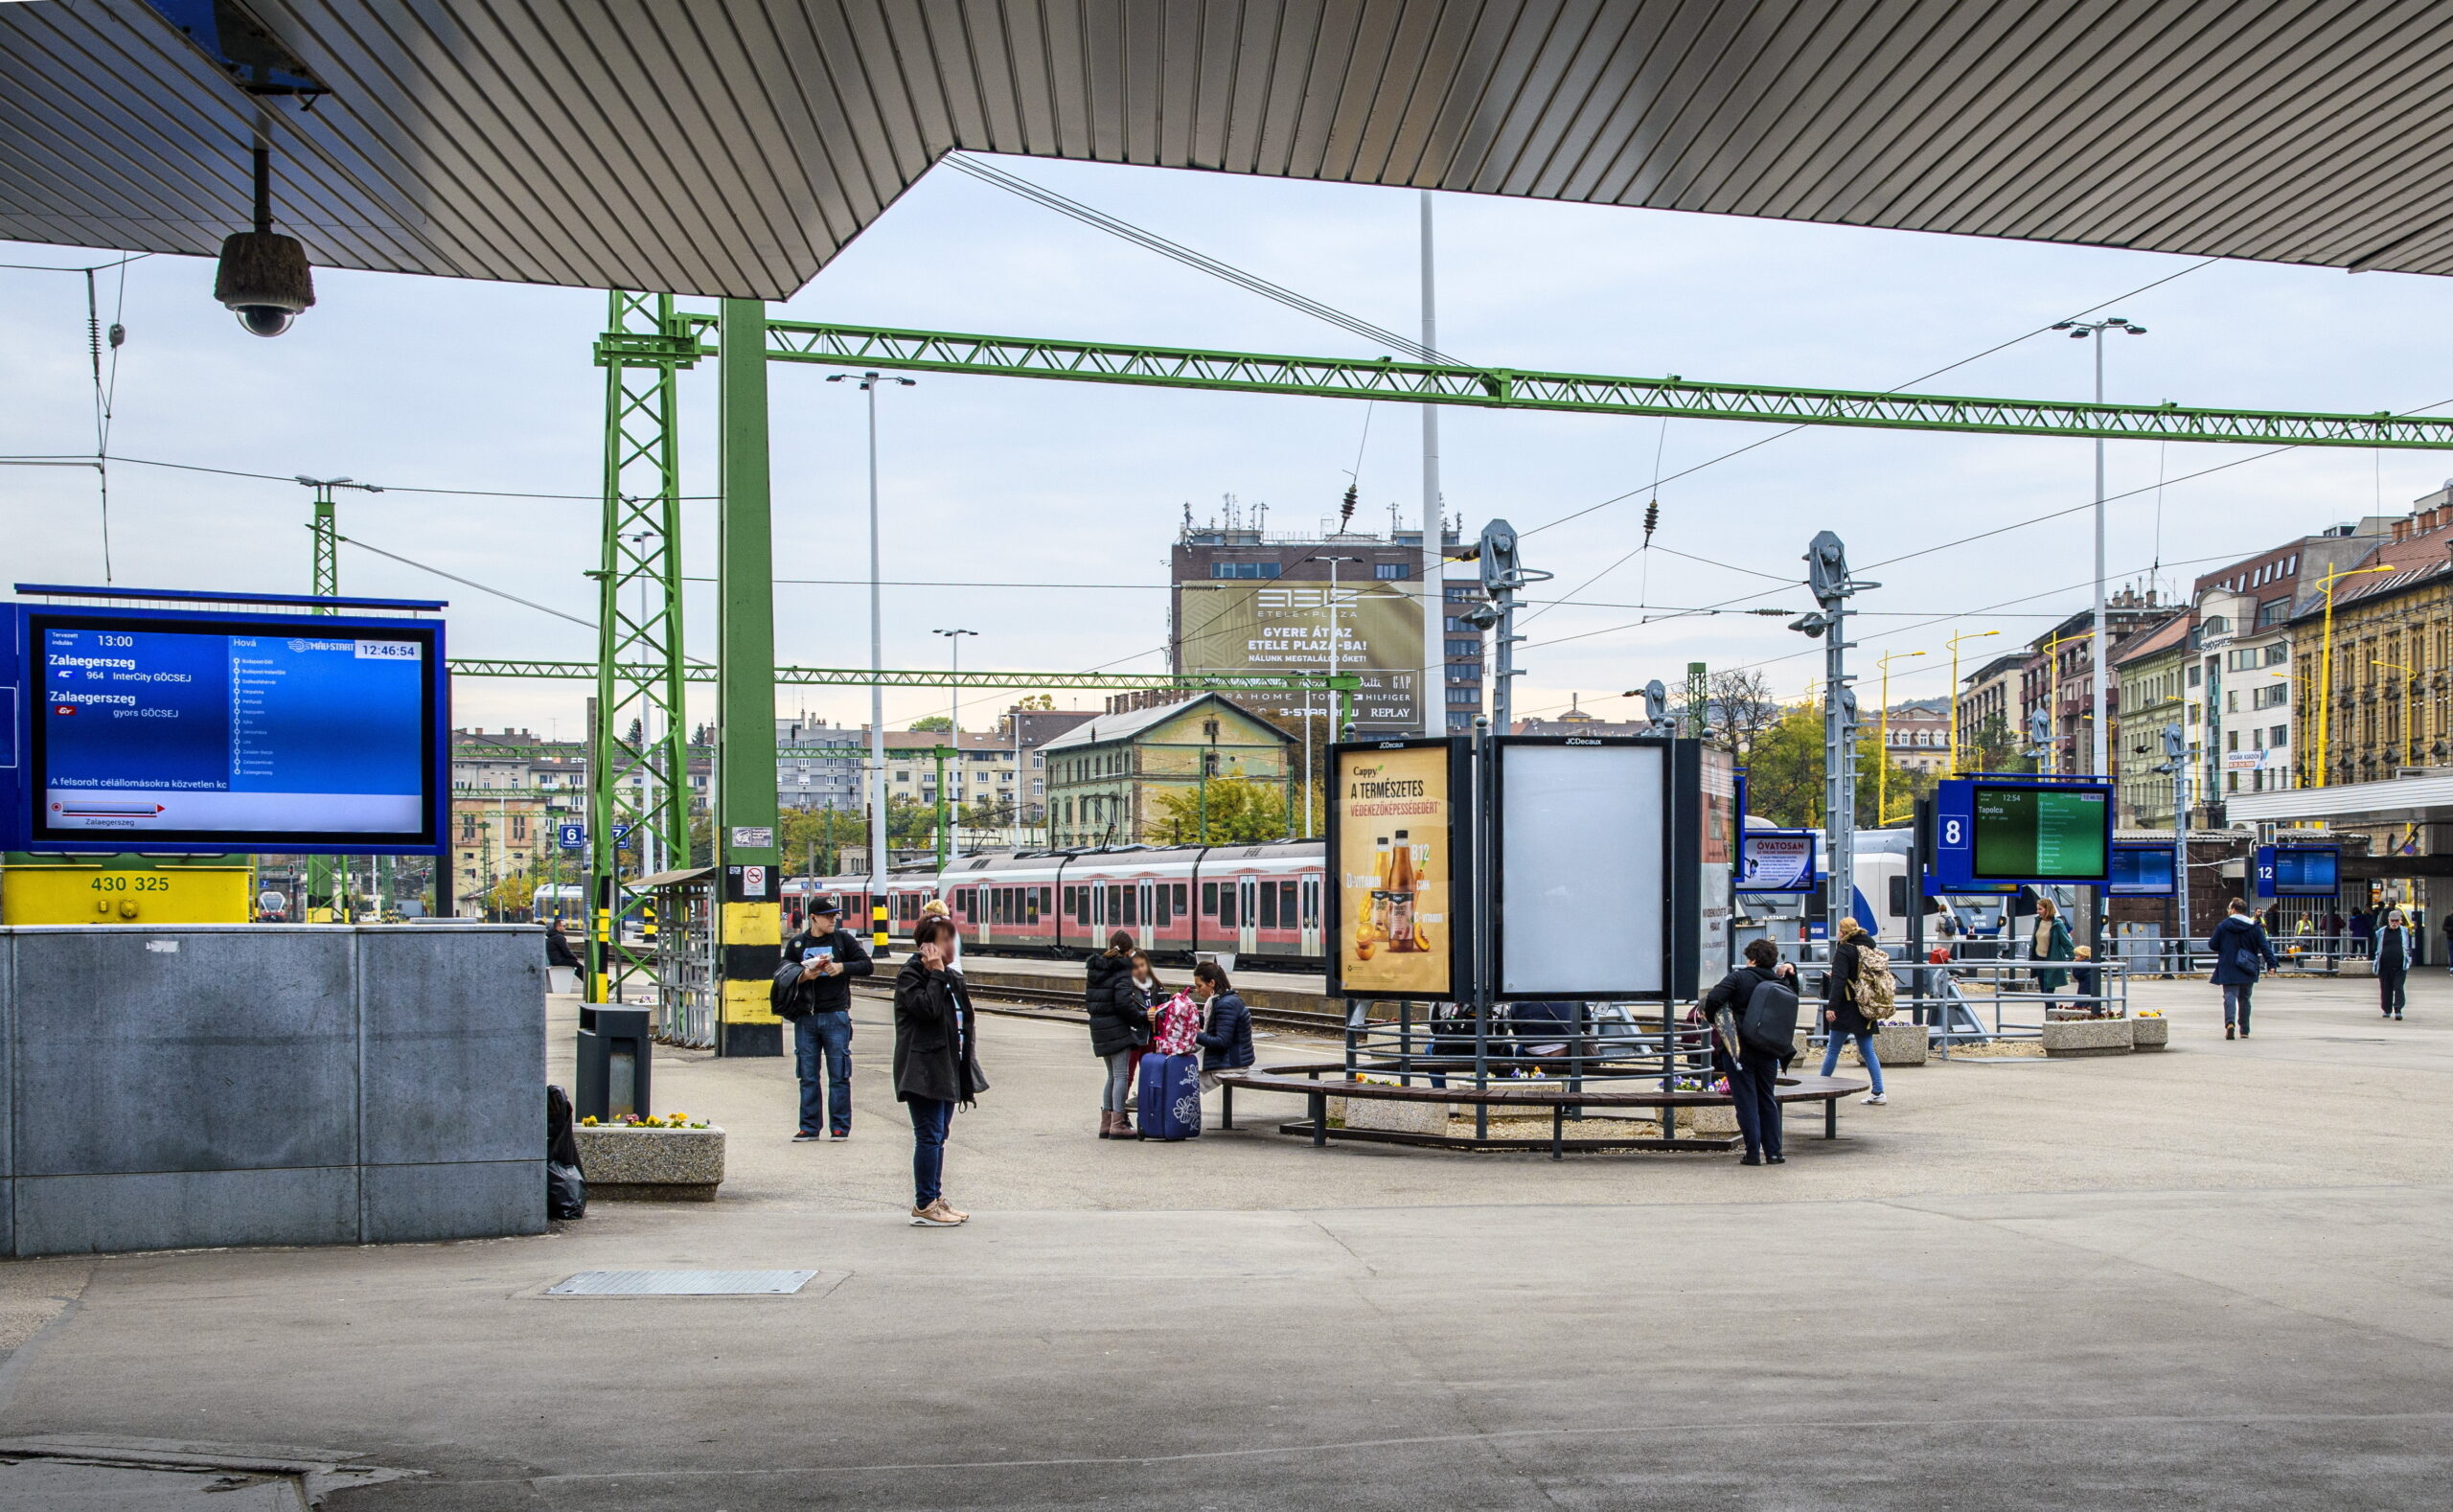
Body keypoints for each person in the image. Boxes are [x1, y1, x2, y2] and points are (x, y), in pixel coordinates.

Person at [893, 915, 987, 1226]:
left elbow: (963, 1007)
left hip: (946, 1066)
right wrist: (935, 974)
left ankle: (935, 1198)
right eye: (945, 939)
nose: (952, 945)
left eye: (953, 938)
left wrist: (945, 973)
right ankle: (924, 1204)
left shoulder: (944, 973)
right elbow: (928, 1010)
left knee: (939, 1135)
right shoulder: (911, 975)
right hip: (922, 1069)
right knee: (929, 1136)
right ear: (928, 946)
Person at [782, 896, 872, 1142]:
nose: (833, 920)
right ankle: (809, 1127)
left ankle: (840, 1127)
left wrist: (841, 967)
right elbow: (783, 974)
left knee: (839, 1075)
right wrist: (804, 976)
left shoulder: (843, 940)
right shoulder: (798, 944)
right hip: (806, 1017)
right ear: (813, 918)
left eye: (835, 915)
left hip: (836, 1015)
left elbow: (867, 965)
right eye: (828, 916)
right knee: (808, 1075)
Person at [1704, 938, 1798, 1164]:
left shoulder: (1739, 977)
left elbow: (1714, 998)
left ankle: (1753, 1152)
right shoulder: (1779, 982)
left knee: (1746, 1101)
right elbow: (1794, 998)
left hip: (1740, 1049)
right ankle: (1774, 1152)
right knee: (1767, 1098)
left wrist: (1713, 1019)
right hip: (1769, 1049)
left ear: (1752, 959)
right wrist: (1791, 973)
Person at [1084, 929, 1149, 1139]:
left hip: (1099, 1028)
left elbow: (1091, 1002)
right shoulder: (1121, 971)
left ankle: (1106, 1123)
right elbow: (1123, 1003)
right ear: (1129, 951)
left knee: (1111, 1076)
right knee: (1121, 1075)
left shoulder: (1095, 970)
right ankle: (1118, 1124)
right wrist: (1139, 1018)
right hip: (1117, 1029)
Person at [1819, 918, 1887, 1107]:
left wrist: (1832, 1007)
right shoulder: (1869, 946)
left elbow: (1840, 980)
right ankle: (1879, 1091)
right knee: (1868, 1051)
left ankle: (1820, 1086)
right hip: (1865, 1005)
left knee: (1833, 1049)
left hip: (1846, 1005)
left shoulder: (1844, 950)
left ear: (1843, 931)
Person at [2208, 896, 2279, 1041]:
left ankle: (2230, 1023)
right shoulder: (2254, 927)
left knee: (2229, 995)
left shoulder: (2223, 926)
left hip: (2228, 966)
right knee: (2245, 998)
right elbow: (2265, 947)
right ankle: (2244, 1030)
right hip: (2248, 966)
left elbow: (2212, 945)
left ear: (2233, 909)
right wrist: (2271, 964)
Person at [1192, 961, 1253, 1093]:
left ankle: (1179, 1110)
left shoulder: (1226, 1004)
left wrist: (1193, 1034)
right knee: (1182, 1057)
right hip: (1230, 1060)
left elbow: (1221, 1042)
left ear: (1212, 983)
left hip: (1232, 1066)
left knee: (1183, 1079)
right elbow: (1216, 1026)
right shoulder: (1224, 999)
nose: (1197, 990)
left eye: (1199, 986)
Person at [2029, 897, 2075, 1015]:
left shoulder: (2057, 924)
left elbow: (2066, 942)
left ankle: (2052, 1018)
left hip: (2051, 961)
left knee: (2048, 992)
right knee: (2044, 993)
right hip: (2039, 961)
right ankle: (2051, 1017)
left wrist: (2074, 957)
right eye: (2037, 909)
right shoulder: (2038, 922)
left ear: (2047, 909)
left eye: (2040, 909)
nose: (2038, 911)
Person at [2375, 908, 2415, 1020]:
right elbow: (2375, 946)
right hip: (2384, 966)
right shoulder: (2381, 932)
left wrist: (2409, 959)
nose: (2394, 923)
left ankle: (2398, 1009)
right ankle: (2386, 1010)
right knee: (2385, 988)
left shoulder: (2405, 932)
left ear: (2401, 920)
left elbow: (2409, 947)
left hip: (2400, 966)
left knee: (2398, 987)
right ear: (2388, 920)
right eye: (2392, 920)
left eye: (2397, 921)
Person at [544, 920, 580, 996]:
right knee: (579, 966)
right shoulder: (559, 937)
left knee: (575, 964)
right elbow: (566, 951)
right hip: (559, 960)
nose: (565, 928)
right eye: (564, 926)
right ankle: (589, 982)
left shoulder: (552, 936)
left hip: (554, 960)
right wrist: (574, 957)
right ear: (558, 926)